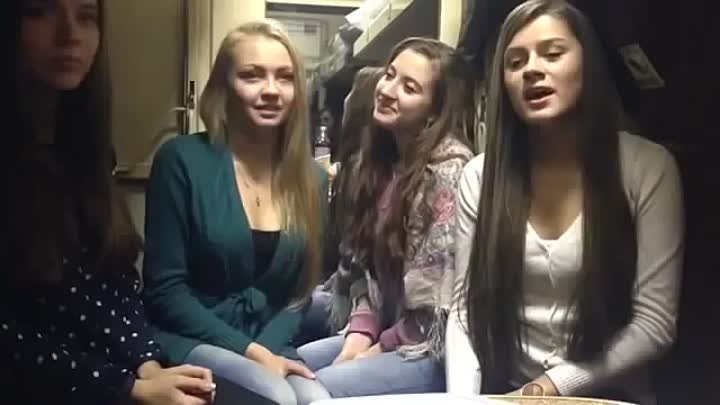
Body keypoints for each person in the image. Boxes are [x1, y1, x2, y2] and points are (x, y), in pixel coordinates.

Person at [446, 1, 684, 404]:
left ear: (588, 64)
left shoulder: (647, 167)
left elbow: (655, 324)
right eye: (515, 62)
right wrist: (464, 400)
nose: (532, 70)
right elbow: (463, 313)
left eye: (553, 54)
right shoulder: (479, 177)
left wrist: (550, 387)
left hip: (610, 395)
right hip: (508, 393)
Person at [2, 1, 216, 404]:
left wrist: (148, 364)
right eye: (41, 11)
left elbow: (114, 285)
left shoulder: (87, 153)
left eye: (86, 16)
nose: (70, 34)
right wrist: (127, 387)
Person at [141, 20, 329, 405]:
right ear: (223, 86)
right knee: (276, 396)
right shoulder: (181, 160)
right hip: (192, 337)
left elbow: (299, 295)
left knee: (317, 400)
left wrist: (267, 350)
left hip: (270, 343)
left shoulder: (312, 178)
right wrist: (251, 353)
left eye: (285, 78)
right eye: (252, 75)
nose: (271, 90)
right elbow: (165, 292)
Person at [297, 37, 475, 400]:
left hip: (431, 348)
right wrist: (358, 336)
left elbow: (434, 313)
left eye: (409, 87)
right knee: (291, 369)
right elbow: (364, 271)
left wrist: (371, 353)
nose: (387, 90)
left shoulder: (448, 171)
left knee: (318, 390)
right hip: (391, 330)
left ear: (435, 110)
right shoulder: (382, 163)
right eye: (390, 75)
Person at [296, 66, 385, 348]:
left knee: (286, 309)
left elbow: (353, 254)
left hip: (357, 302)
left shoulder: (362, 168)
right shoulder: (357, 164)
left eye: (351, 95)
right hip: (349, 291)